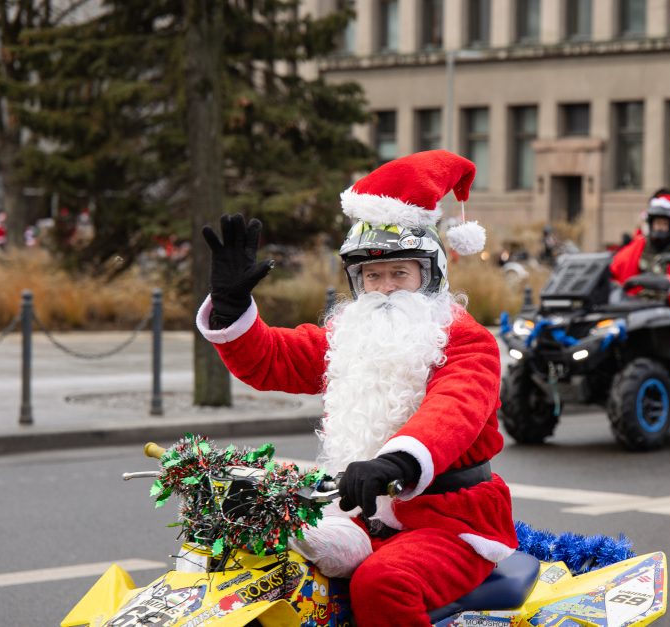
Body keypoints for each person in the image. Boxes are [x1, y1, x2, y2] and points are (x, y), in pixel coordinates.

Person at [195, 150, 516, 627]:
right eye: (372, 275)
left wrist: (396, 461)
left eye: (399, 274)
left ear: (430, 277)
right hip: (357, 512)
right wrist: (231, 307)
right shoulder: (350, 335)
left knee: (383, 584)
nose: (384, 288)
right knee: (260, 559)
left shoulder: (466, 340)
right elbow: (273, 360)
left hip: (451, 522)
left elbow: (454, 410)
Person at [610, 191, 670, 387]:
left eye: (664, 224)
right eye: (656, 224)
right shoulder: (640, 245)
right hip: (638, 303)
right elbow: (617, 264)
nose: (659, 228)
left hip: (668, 304)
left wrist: (667, 282)